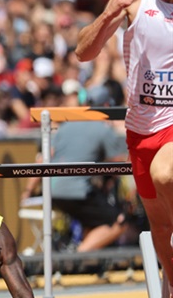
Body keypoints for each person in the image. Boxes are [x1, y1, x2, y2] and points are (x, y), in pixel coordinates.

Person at [75, 0, 173, 298]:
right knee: (161, 229)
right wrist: (110, 13)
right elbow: (83, 52)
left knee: (166, 173)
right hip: (140, 127)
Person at [21, 80, 130, 252]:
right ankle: (78, 256)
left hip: (52, 191)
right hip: (77, 192)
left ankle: (81, 258)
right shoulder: (103, 129)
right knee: (119, 221)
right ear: (107, 105)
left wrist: (27, 191)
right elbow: (119, 163)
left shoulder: (65, 126)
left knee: (93, 219)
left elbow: (43, 160)